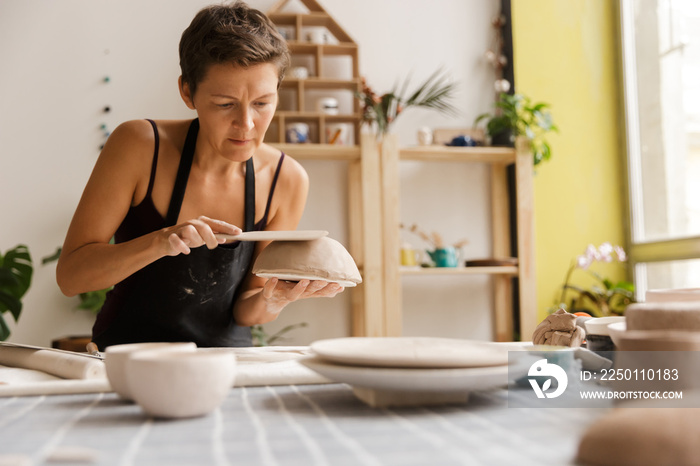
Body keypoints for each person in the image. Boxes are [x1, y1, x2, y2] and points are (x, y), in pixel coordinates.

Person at [56, 2, 343, 350]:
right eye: (225, 104)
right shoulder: (139, 146)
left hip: (227, 367)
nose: (246, 124)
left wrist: (276, 298)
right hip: (128, 359)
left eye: (262, 103)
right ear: (187, 91)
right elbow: (71, 277)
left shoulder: (287, 179)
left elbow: (247, 307)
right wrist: (161, 241)